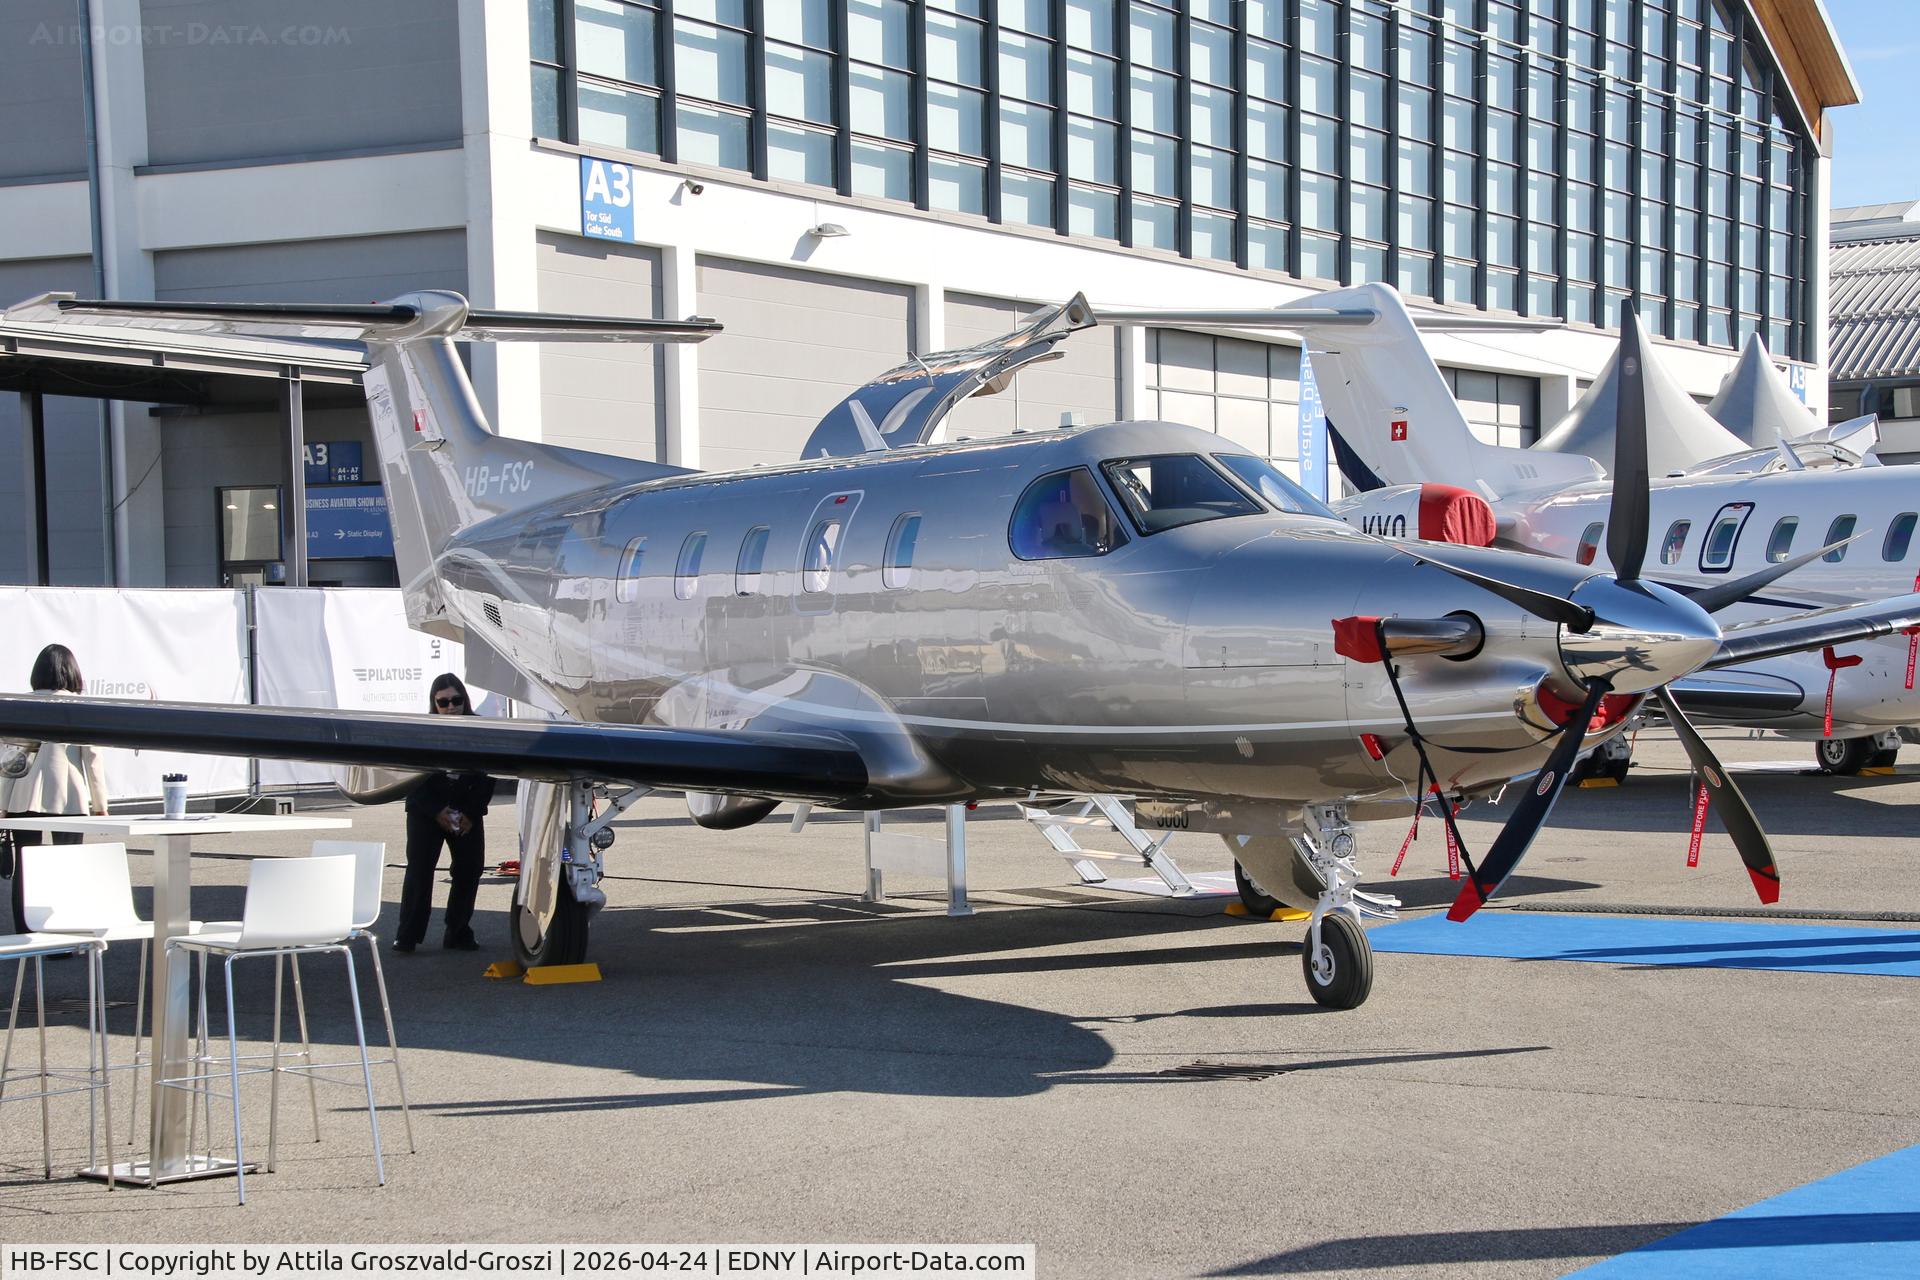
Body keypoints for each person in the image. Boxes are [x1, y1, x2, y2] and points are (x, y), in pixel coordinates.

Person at [2, 644, 109, 933]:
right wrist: (100, 804)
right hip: (69, 796)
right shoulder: (79, 706)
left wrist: (2, 802)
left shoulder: (20, 704)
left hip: (23, 795)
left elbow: (12, 758)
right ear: (72, 672)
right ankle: (64, 932)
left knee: (26, 864)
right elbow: (92, 757)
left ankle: (26, 931)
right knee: (69, 863)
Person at [395, 673, 495, 953]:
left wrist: (471, 814)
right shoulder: (423, 731)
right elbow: (412, 779)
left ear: (465, 699)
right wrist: (436, 811)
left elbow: (488, 778)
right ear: (434, 703)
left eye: (456, 700)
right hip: (426, 811)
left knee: (470, 869)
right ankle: (407, 935)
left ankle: (458, 930)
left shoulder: (481, 730)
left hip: (465, 810)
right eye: (443, 702)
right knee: (419, 871)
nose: (451, 707)